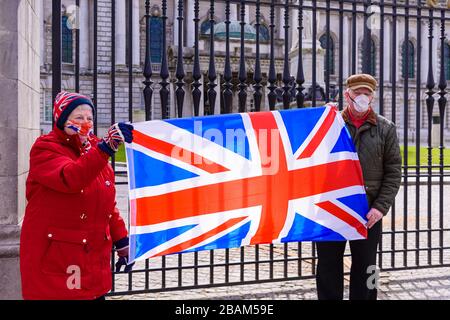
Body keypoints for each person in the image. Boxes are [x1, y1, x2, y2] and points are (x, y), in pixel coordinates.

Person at [20, 91, 135, 300]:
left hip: (92, 261)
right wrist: (105, 148)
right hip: (58, 262)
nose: (85, 123)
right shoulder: (45, 148)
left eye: (89, 118)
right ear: (62, 119)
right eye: (78, 117)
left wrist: (122, 242)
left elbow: (107, 204)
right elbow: (70, 178)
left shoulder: (93, 147)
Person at [316, 74, 402, 300]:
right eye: (357, 93)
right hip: (331, 208)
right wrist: (321, 119)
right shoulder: (329, 123)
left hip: (368, 212)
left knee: (368, 267)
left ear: (373, 96)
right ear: (347, 95)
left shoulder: (386, 128)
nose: (362, 97)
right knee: (327, 266)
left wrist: (380, 208)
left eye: (367, 93)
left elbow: (393, 172)